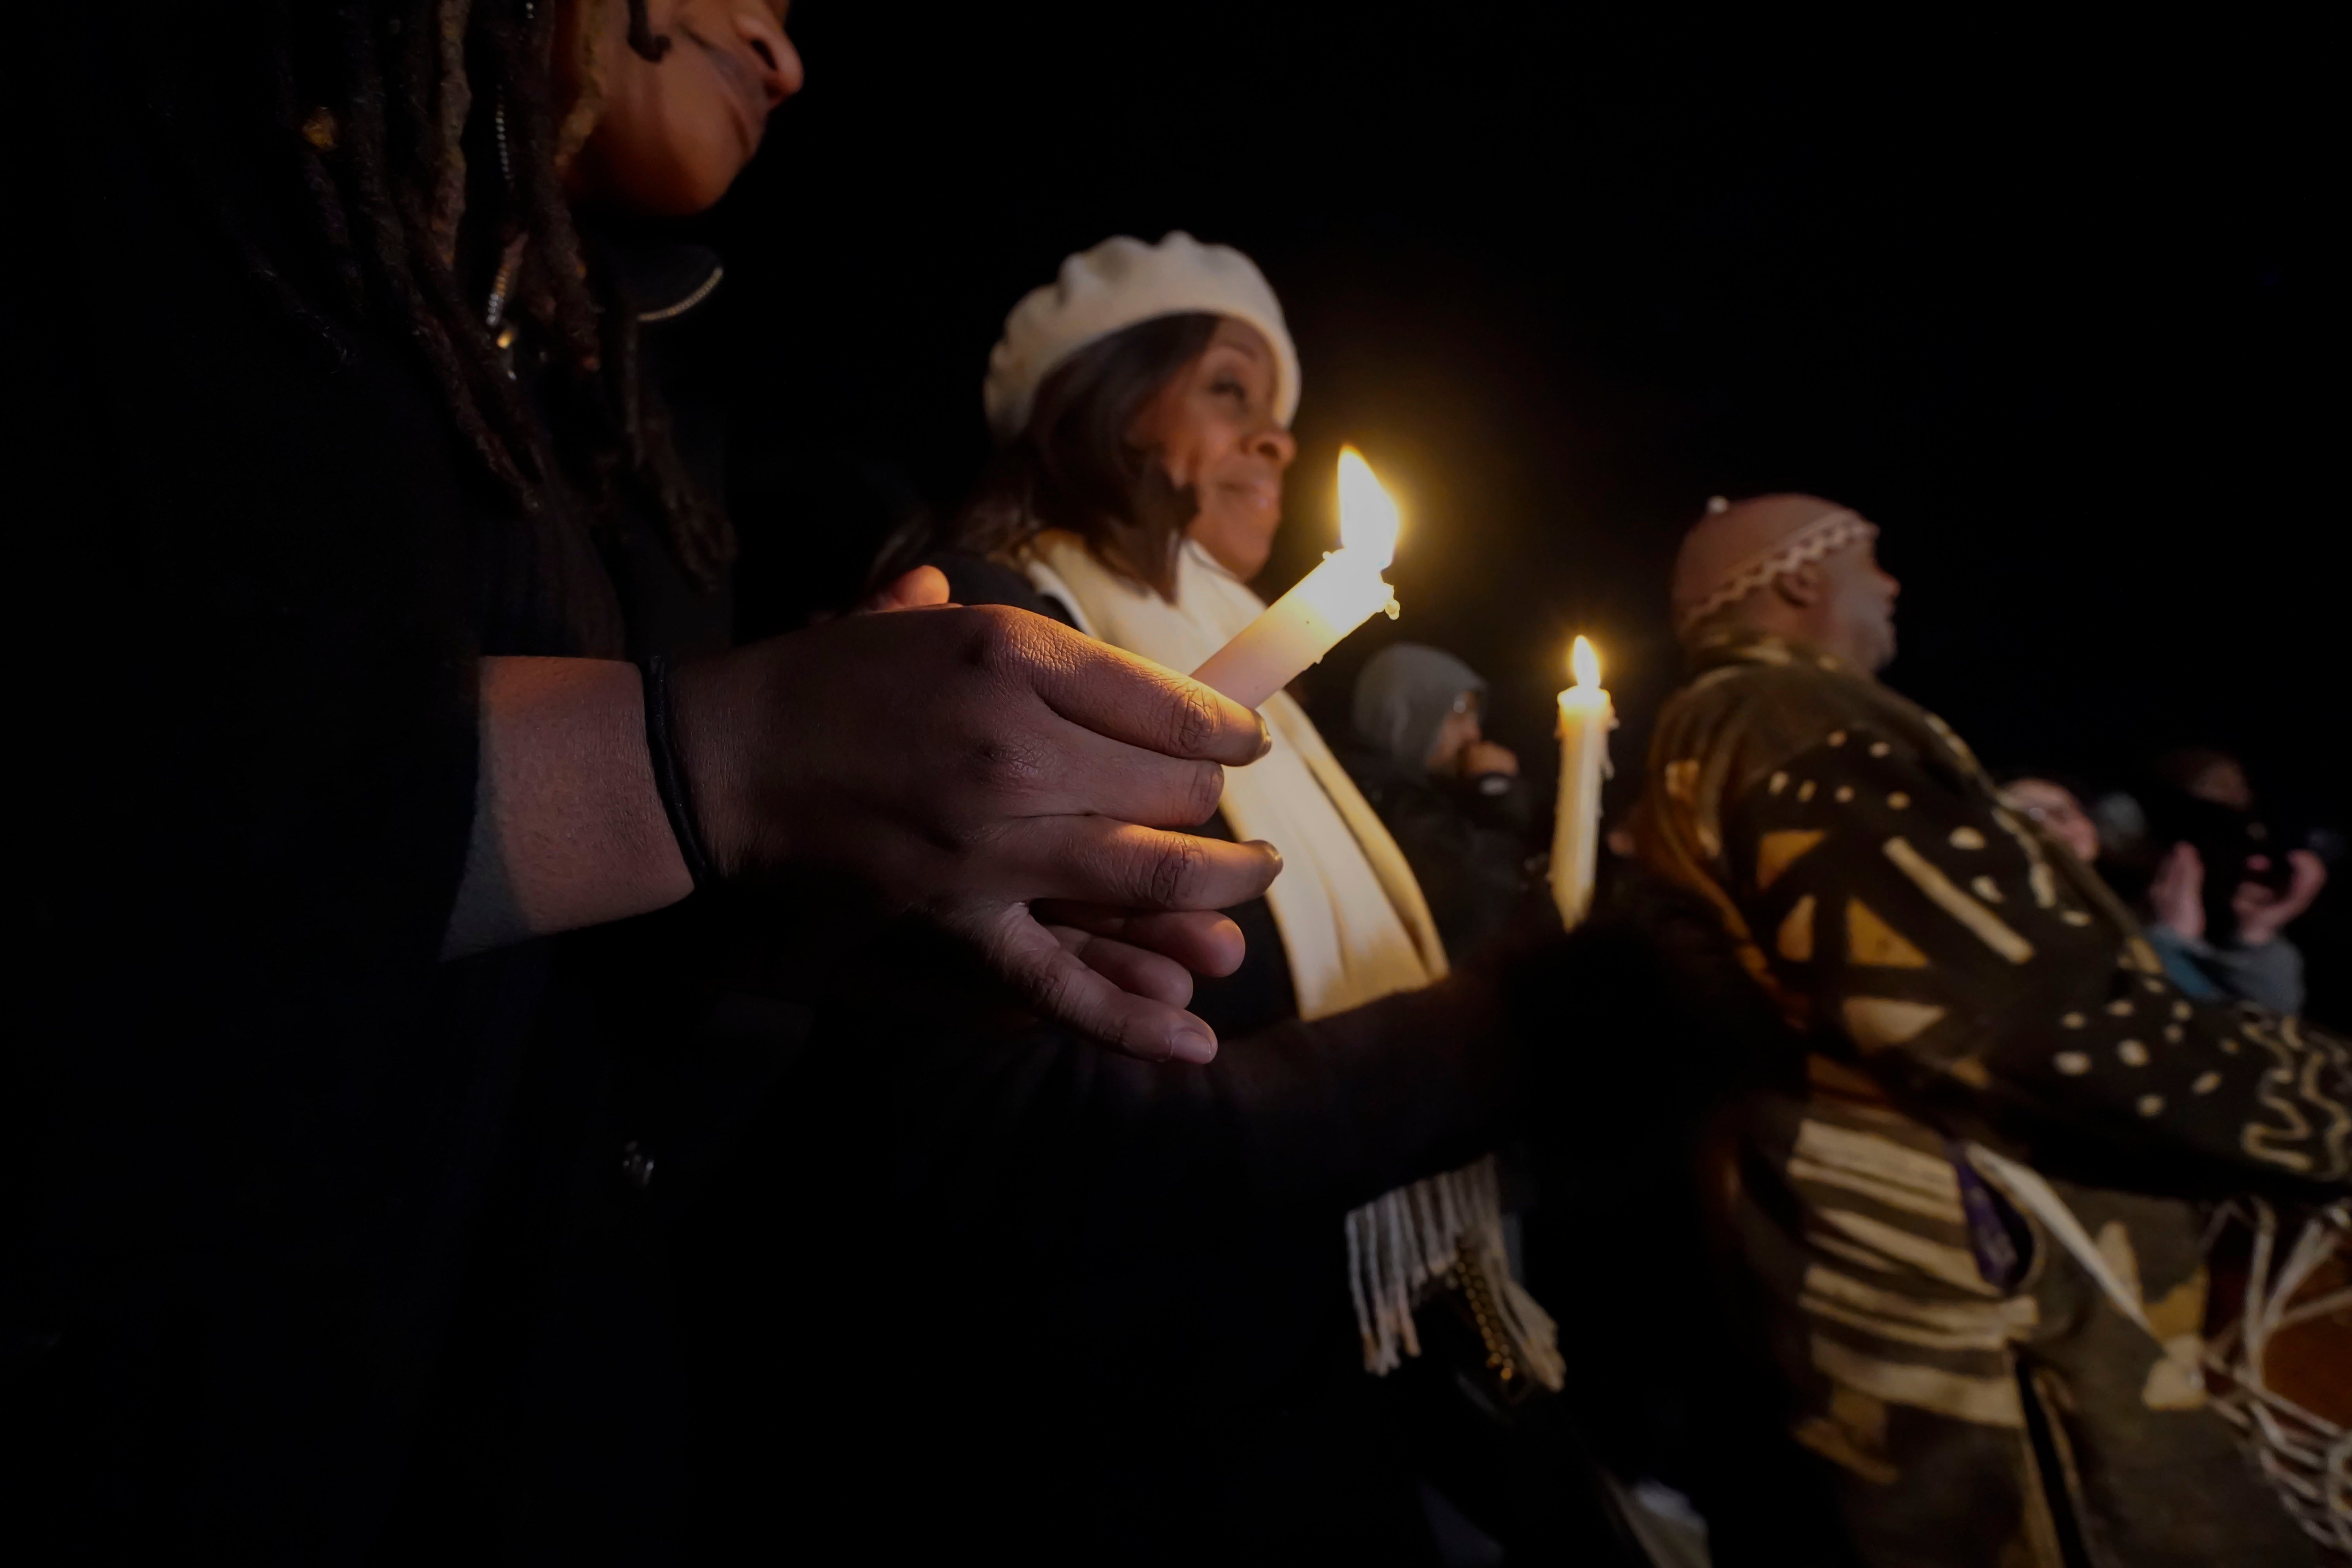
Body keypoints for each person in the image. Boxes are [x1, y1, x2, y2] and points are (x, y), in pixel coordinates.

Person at [14, 7, 1283, 1555]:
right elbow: (113, 815)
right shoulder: (183, 183)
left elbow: (559, 1014)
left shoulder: (609, 401)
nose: (786, 57)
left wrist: (805, 903)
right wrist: (713, 761)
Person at [715, 234, 1637, 1564]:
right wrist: (1489, 1042)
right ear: (1100, 397)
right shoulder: (989, 628)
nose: (1276, 439)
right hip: (1133, 1437)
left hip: (1330, 1389)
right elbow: (988, 1121)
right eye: (1228, 390)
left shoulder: (1277, 705)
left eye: (1284, 413)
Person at [1628, 494, 2350, 1566]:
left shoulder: (1750, 723)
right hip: (1988, 1326)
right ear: (1798, 580)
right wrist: (2319, 1102)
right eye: (1872, 560)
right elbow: (2002, 1017)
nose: (1893, 585)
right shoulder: (1785, 714)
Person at [2002, 769, 2324, 1014]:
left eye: (2072, 810)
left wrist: (2256, 935)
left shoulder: (2133, 910)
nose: (2067, 824)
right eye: (2036, 813)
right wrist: (2171, 944)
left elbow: (2269, 1025)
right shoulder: (2025, 916)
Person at [1341, 643, 1537, 957]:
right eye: (1459, 711)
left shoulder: (1404, 790)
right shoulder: (1389, 803)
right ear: (1405, 711)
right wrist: (1497, 793)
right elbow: (1481, 903)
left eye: (1475, 714)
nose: (1473, 734)